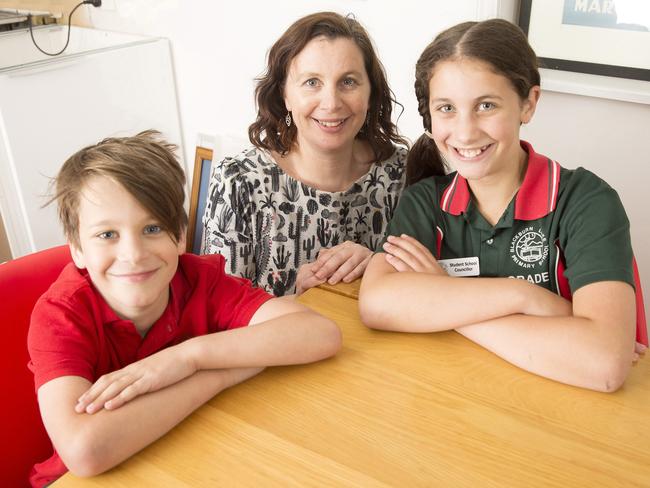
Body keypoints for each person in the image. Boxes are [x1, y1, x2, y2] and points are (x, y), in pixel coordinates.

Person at [27, 130, 341, 487]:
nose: (133, 254)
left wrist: (186, 358)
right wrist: (219, 374)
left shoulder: (199, 281)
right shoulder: (60, 315)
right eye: (107, 234)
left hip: (191, 458)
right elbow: (84, 452)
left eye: (152, 228)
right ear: (77, 248)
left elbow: (319, 334)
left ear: (179, 235)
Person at [359, 19, 647, 392]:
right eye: (447, 108)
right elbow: (378, 304)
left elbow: (604, 365)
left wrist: (442, 298)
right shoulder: (425, 200)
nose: (465, 132)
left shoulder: (587, 201)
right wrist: (523, 297)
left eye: (486, 105)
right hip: (463, 400)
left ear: (528, 104)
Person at [201, 12, 408, 296]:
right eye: (312, 82)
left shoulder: (402, 174)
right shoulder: (237, 182)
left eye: (348, 81)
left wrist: (377, 265)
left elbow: (428, 286)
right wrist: (297, 301)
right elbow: (218, 318)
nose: (331, 103)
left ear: (370, 93)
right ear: (284, 94)